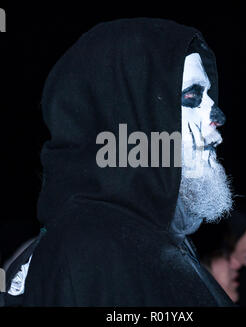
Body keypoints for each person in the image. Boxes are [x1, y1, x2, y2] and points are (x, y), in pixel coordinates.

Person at [4, 18, 234, 306]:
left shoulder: (149, 243)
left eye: (209, 96)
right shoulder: (91, 251)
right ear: (132, 113)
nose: (217, 116)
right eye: (191, 96)